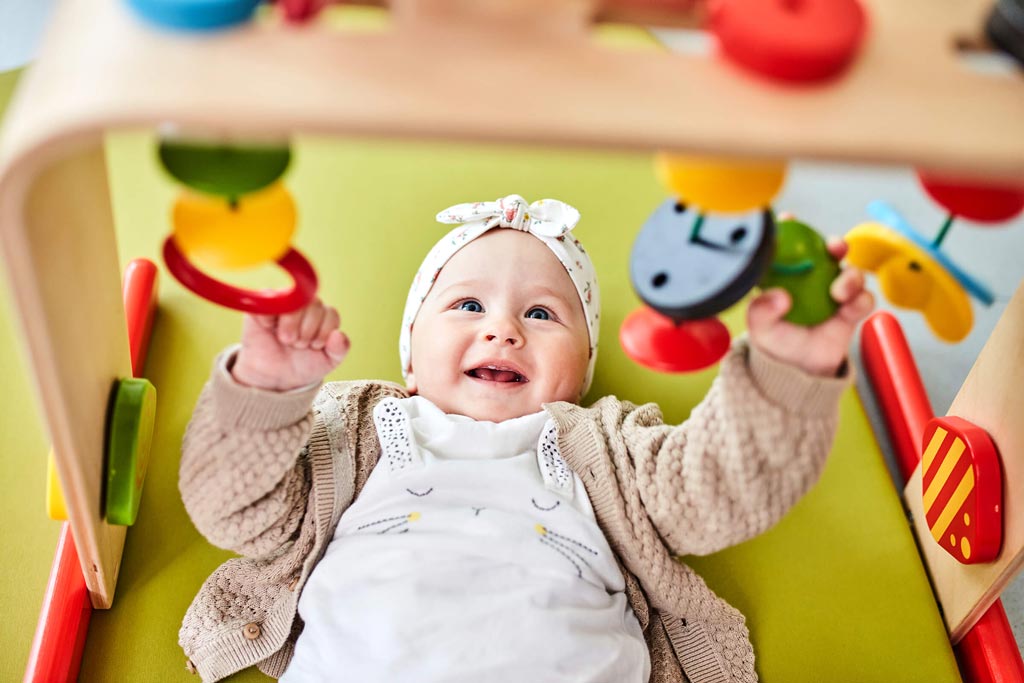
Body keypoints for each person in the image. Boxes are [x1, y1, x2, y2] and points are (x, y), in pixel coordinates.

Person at [178, 195, 874, 682]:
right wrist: (268, 389)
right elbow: (234, 508)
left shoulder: (607, 447)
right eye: (468, 305)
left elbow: (718, 487)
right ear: (410, 360)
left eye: (541, 312)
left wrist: (788, 370)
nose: (502, 329)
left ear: (582, 374)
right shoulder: (355, 429)